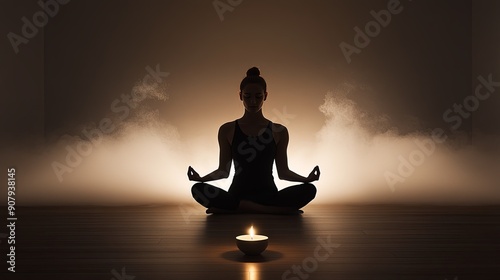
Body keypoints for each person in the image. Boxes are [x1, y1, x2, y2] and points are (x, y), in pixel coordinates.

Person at [188, 67, 319, 214]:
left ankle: (239, 208)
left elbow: (283, 172)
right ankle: (271, 211)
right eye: (247, 96)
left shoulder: (279, 131)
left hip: (269, 196)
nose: (252, 101)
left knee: (310, 190)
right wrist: (201, 178)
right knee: (197, 189)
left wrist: (307, 179)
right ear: (240, 96)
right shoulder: (227, 129)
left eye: (258, 96)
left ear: (266, 96)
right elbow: (223, 172)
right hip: (236, 195)